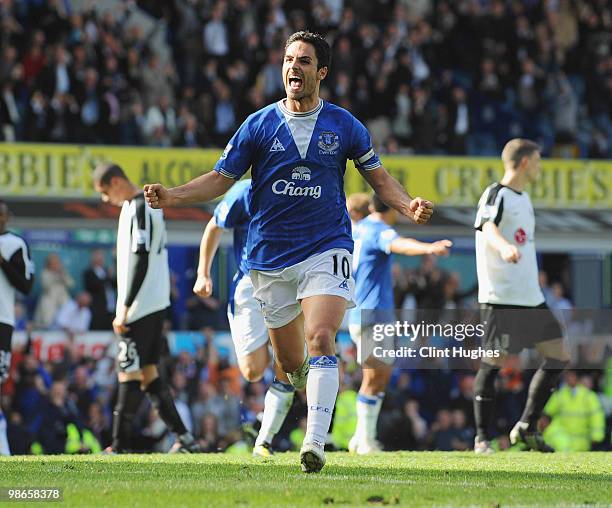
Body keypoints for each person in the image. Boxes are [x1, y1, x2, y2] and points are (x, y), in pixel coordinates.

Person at [144, 31, 433, 472]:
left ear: (321, 73)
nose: (292, 67)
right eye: (287, 59)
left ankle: (314, 445)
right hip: (269, 261)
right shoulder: (258, 125)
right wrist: (174, 196)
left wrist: (406, 204)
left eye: (303, 61)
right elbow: (220, 179)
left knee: (321, 338)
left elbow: (380, 179)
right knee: (292, 364)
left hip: (326, 247)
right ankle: (294, 403)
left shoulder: (344, 125)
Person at [92, 163, 199, 454]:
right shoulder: (137, 206)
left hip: (140, 307)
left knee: (128, 373)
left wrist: (125, 307)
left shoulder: (141, 206)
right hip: (154, 303)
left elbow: (141, 257)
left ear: (115, 182)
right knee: (150, 376)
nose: (105, 200)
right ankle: (185, 438)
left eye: (104, 192)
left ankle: (119, 445)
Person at [473, 138, 570, 454]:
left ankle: (527, 426)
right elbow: (488, 227)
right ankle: (481, 439)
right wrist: (504, 248)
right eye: (539, 161)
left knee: (558, 355)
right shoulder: (495, 193)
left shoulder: (524, 199)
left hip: (530, 297)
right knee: (493, 363)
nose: (540, 167)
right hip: (501, 296)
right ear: (525, 162)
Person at [193, 179, 295, 457]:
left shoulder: (300, 185)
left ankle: (265, 439)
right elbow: (214, 226)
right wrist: (204, 273)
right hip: (249, 285)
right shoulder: (244, 191)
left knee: (291, 361)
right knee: (252, 371)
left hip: (288, 283)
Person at [347, 193, 451, 454]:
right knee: (375, 377)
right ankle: (365, 440)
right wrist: (429, 248)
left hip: (363, 311)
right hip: (373, 314)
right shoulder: (378, 229)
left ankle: (361, 438)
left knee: (379, 376)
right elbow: (399, 244)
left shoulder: (358, 229)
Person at [0, 199, 35, 455]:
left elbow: (26, 286)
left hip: (2, 320)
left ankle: (3, 448)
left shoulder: (16, 245)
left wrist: (2, 262)